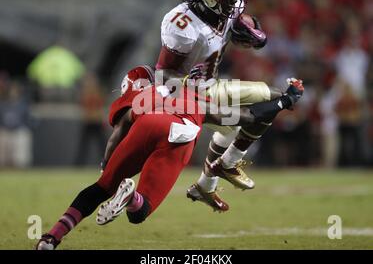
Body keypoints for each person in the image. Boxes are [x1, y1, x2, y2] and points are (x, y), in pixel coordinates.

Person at [36, 65, 304, 250]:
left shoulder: (144, 97)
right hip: (180, 132)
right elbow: (250, 117)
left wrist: (107, 168)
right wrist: (284, 101)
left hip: (146, 123)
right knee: (139, 213)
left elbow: (115, 137)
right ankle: (131, 197)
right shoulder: (196, 98)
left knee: (99, 189)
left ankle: (51, 238)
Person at [155, 0, 288, 211]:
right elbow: (163, 74)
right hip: (185, 97)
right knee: (255, 113)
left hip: (210, 88)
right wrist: (188, 98)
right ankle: (227, 164)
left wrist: (251, 32)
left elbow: (244, 31)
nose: (235, 2)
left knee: (262, 106)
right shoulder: (183, 23)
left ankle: (206, 185)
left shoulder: (224, 10)